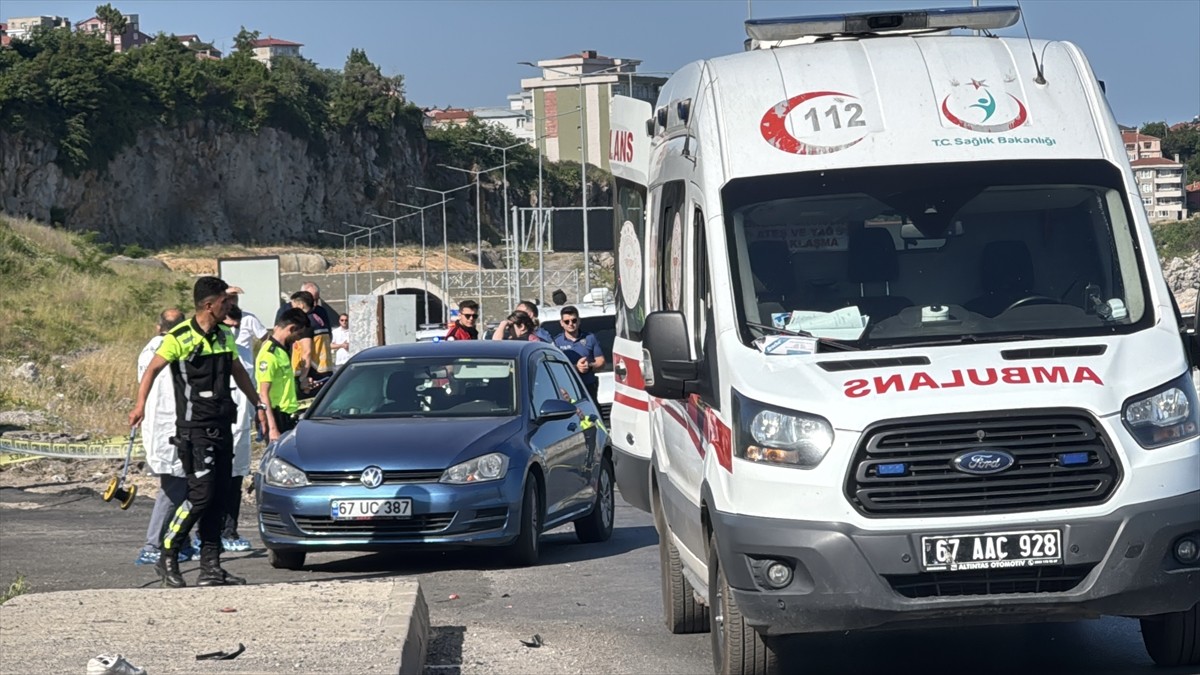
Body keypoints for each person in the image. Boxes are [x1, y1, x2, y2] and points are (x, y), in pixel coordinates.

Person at [128, 276, 267, 588]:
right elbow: (151, 370)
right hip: (194, 429)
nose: (230, 306)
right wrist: (140, 406)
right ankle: (168, 552)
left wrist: (257, 401)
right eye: (225, 302)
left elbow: (237, 371)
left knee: (218, 498)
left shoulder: (224, 336)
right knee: (200, 496)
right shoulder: (179, 336)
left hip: (222, 425)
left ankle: (211, 567)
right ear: (209, 305)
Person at [133, 308, 198, 566]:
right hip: (173, 428)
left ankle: (181, 540)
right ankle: (154, 543)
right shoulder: (175, 349)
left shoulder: (147, 350)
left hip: (157, 429)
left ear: (157, 325)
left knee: (181, 487)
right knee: (174, 488)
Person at [257, 309, 310, 440]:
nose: (299, 339)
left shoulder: (283, 350)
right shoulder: (269, 354)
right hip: (277, 416)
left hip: (289, 414)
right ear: (291, 329)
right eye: (299, 334)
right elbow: (263, 393)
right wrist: (273, 429)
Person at [552, 305, 605, 403]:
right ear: (561, 323)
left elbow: (600, 361)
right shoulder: (556, 342)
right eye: (567, 321)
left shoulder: (590, 338)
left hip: (588, 386)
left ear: (579, 321)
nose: (571, 324)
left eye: (574, 320)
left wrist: (589, 366)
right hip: (568, 388)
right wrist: (576, 367)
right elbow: (555, 367)